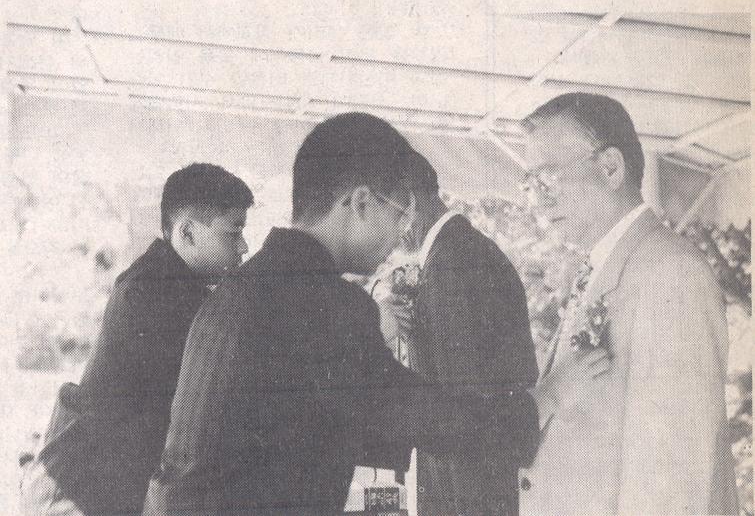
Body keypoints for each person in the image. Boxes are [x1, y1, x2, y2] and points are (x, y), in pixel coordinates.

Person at [142, 113, 539, 516]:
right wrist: (540, 406)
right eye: (399, 214)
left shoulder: (245, 285)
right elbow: (419, 417)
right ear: (360, 203)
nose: (401, 234)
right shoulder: (324, 301)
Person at [518, 93, 738, 515]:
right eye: (530, 184)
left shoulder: (671, 272)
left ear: (611, 168)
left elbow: (674, 479)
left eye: (547, 177)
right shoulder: (609, 266)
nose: (538, 200)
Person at [20, 163, 254, 516]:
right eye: (233, 233)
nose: (244, 247)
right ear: (188, 233)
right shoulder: (153, 292)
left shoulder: (166, 282)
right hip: (76, 494)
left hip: (89, 485)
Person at [379, 153, 604, 515]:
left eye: (381, 212)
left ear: (409, 202)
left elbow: (465, 417)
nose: (381, 233)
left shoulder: (455, 264)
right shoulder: (454, 254)